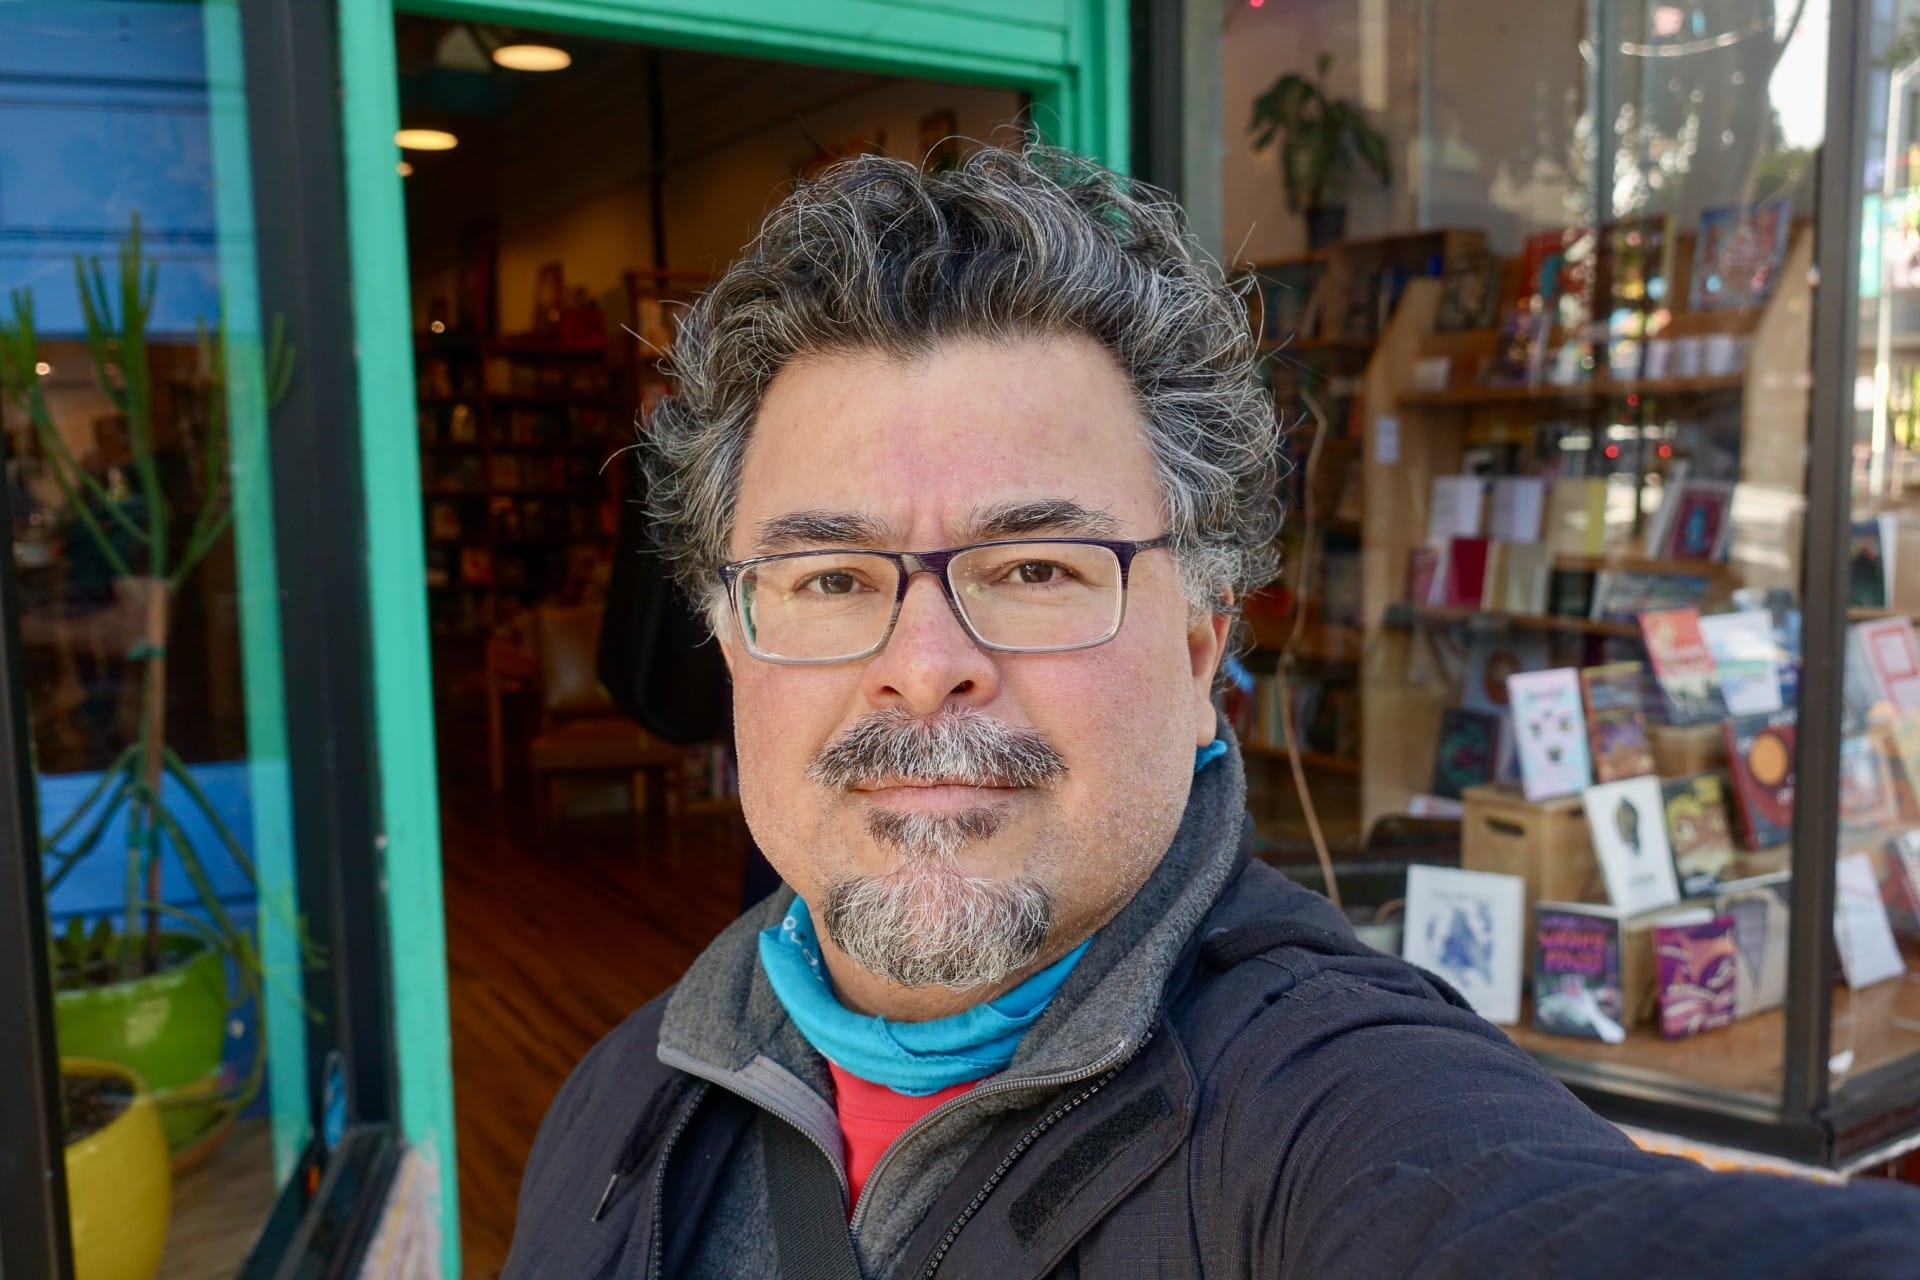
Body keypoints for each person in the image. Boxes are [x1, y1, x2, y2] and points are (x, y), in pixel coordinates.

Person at [504, 144, 1920, 1279]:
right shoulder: (618, 1113)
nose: (923, 662)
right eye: (828, 578)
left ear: (1200, 654)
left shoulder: (1331, 1118)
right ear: (731, 644)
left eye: (1037, 568)